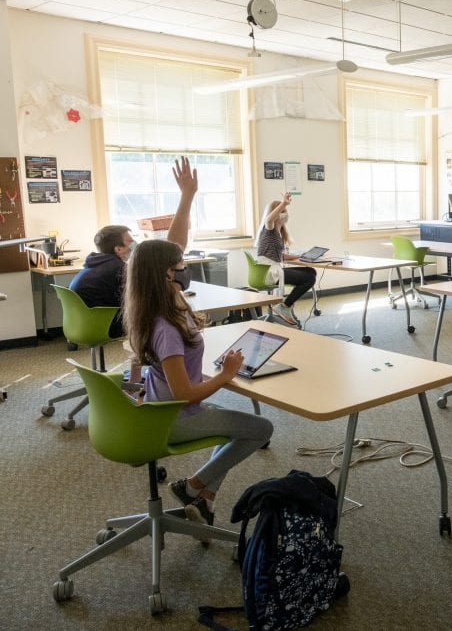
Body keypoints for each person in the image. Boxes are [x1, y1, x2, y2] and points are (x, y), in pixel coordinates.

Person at [124, 156, 273, 526]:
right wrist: (227, 374)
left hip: (156, 409)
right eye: (179, 268)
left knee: (230, 428)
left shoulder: (147, 302)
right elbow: (184, 395)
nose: (184, 269)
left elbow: (174, 243)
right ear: (165, 275)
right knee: (259, 429)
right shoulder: (167, 327)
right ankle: (193, 486)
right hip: (173, 417)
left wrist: (187, 197)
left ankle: (204, 497)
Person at [256, 192, 317, 326]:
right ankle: (285, 306)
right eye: (283, 211)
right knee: (309, 278)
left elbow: (281, 255)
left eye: (285, 211)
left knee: (311, 272)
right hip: (268, 272)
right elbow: (268, 220)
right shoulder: (269, 228)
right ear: (275, 213)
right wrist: (284, 203)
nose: (285, 214)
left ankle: (286, 305)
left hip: (272, 269)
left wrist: (300, 256)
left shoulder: (277, 232)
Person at [69, 224, 134, 337]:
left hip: (81, 323)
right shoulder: (118, 268)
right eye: (131, 242)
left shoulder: (93, 263)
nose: (134, 245)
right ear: (118, 249)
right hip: (105, 324)